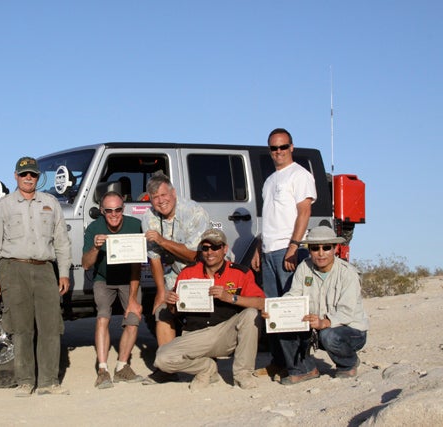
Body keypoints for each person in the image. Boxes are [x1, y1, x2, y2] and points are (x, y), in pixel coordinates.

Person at [0, 156, 72, 397]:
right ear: (16, 176)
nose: (28, 178)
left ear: (38, 177)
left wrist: (63, 273)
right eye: (24, 175)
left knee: (51, 326)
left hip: (44, 269)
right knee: (21, 327)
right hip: (13, 269)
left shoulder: (51, 203)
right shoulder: (4, 206)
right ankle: (25, 381)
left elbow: (62, 242)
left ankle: (49, 381)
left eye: (32, 174)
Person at [153, 229, 265, 391]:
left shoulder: (240, 272)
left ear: (225, 249)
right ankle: (206, 368)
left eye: (215, 247)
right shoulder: (188, 273)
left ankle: (243, 373)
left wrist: (230, 298)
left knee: (251, 314)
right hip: (195, 334)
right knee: (162, 359)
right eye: (205, 248)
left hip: (225, 333)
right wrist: (171, 303)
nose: (209, 252)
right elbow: (175, 312)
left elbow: (261, 303)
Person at [264, 225, 369, 385]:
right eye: (315, 248)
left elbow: (346, 312)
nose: (321, 253)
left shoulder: (348, 273)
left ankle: (348, 363)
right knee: (283, 324)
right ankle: (304, 369)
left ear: (334, 248)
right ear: (310, 250)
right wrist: (277, 310)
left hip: (350, 330)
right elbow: (294, 295)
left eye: (326, 247)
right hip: (316, 327)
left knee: (329, 335)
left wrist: (324, 323)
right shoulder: (303, 268)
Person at [251, 128, 317, 377]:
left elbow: (304, 212)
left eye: (282, 147)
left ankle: (302, 367)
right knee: (273, 309)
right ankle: (279, 361)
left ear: (291, 147)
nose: (278, 152)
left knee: (291, 310)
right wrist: (259, 248)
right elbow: (268, 218)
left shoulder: (299, 175)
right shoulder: (270, 180)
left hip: (286, 251)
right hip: (268, 250)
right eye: (273, 148)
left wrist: (293, 246)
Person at [141, 173, 209, 383]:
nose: (160, 200)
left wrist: (161, 240)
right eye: (155, 197)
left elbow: (193, 254)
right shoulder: (149, 217)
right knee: (162, 311)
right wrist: (161, 291)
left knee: (198, 314)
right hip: (175, 272)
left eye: (163, 194)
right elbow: (154, 257)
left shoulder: (194, 211)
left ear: (174, 193)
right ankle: (166, 367)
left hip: (202, 270)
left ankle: (202, 364)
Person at [82, 191, 145, 389]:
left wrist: (133, 298)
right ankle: (102, 370)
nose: (114, 214)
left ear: (123, 209)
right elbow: (85, 264)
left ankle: (122, 367)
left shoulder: (134, 225)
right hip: (104, 278)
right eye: (109, 210)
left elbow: (137, 265)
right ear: (102, 211)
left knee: (133, 317)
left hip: (129, 278)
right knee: (103, 317)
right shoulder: (94, 228)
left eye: (118, 209)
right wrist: (94, 247)